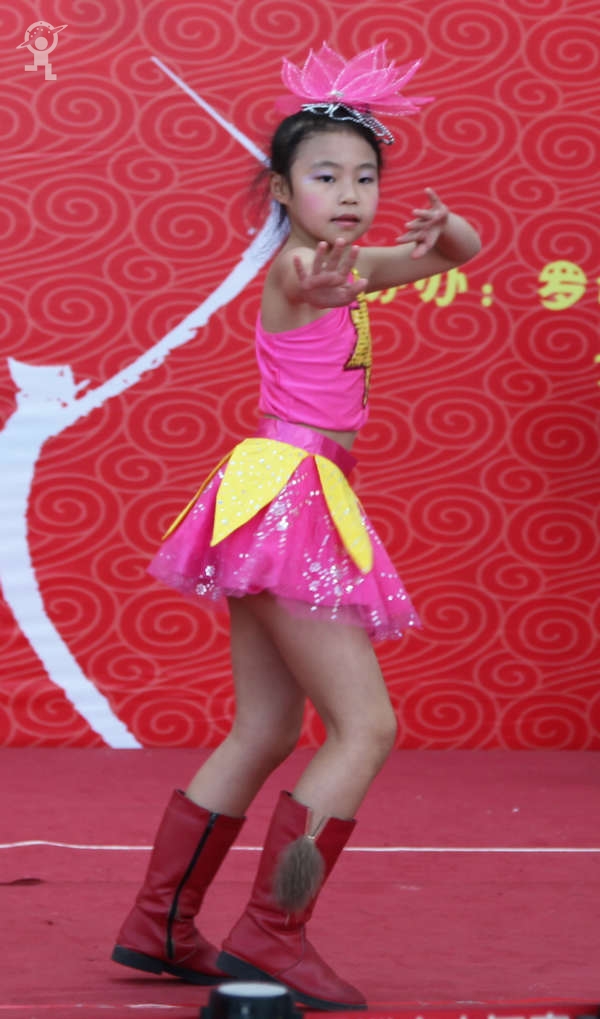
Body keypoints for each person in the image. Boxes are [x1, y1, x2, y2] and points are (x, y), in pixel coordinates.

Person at [111, 42, 481, 1010]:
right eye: (324, 176)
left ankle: (158, 923)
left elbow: (457, 254)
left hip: (281, 494)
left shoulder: (353, 263)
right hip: (291, 495)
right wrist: (325, 282)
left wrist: (446, 229)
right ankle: (273, 932)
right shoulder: (299, 267)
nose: (349, 193)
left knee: (270, 725)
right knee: (367, 725)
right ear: (282, 189)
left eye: (365, 177)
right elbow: (307, 282)